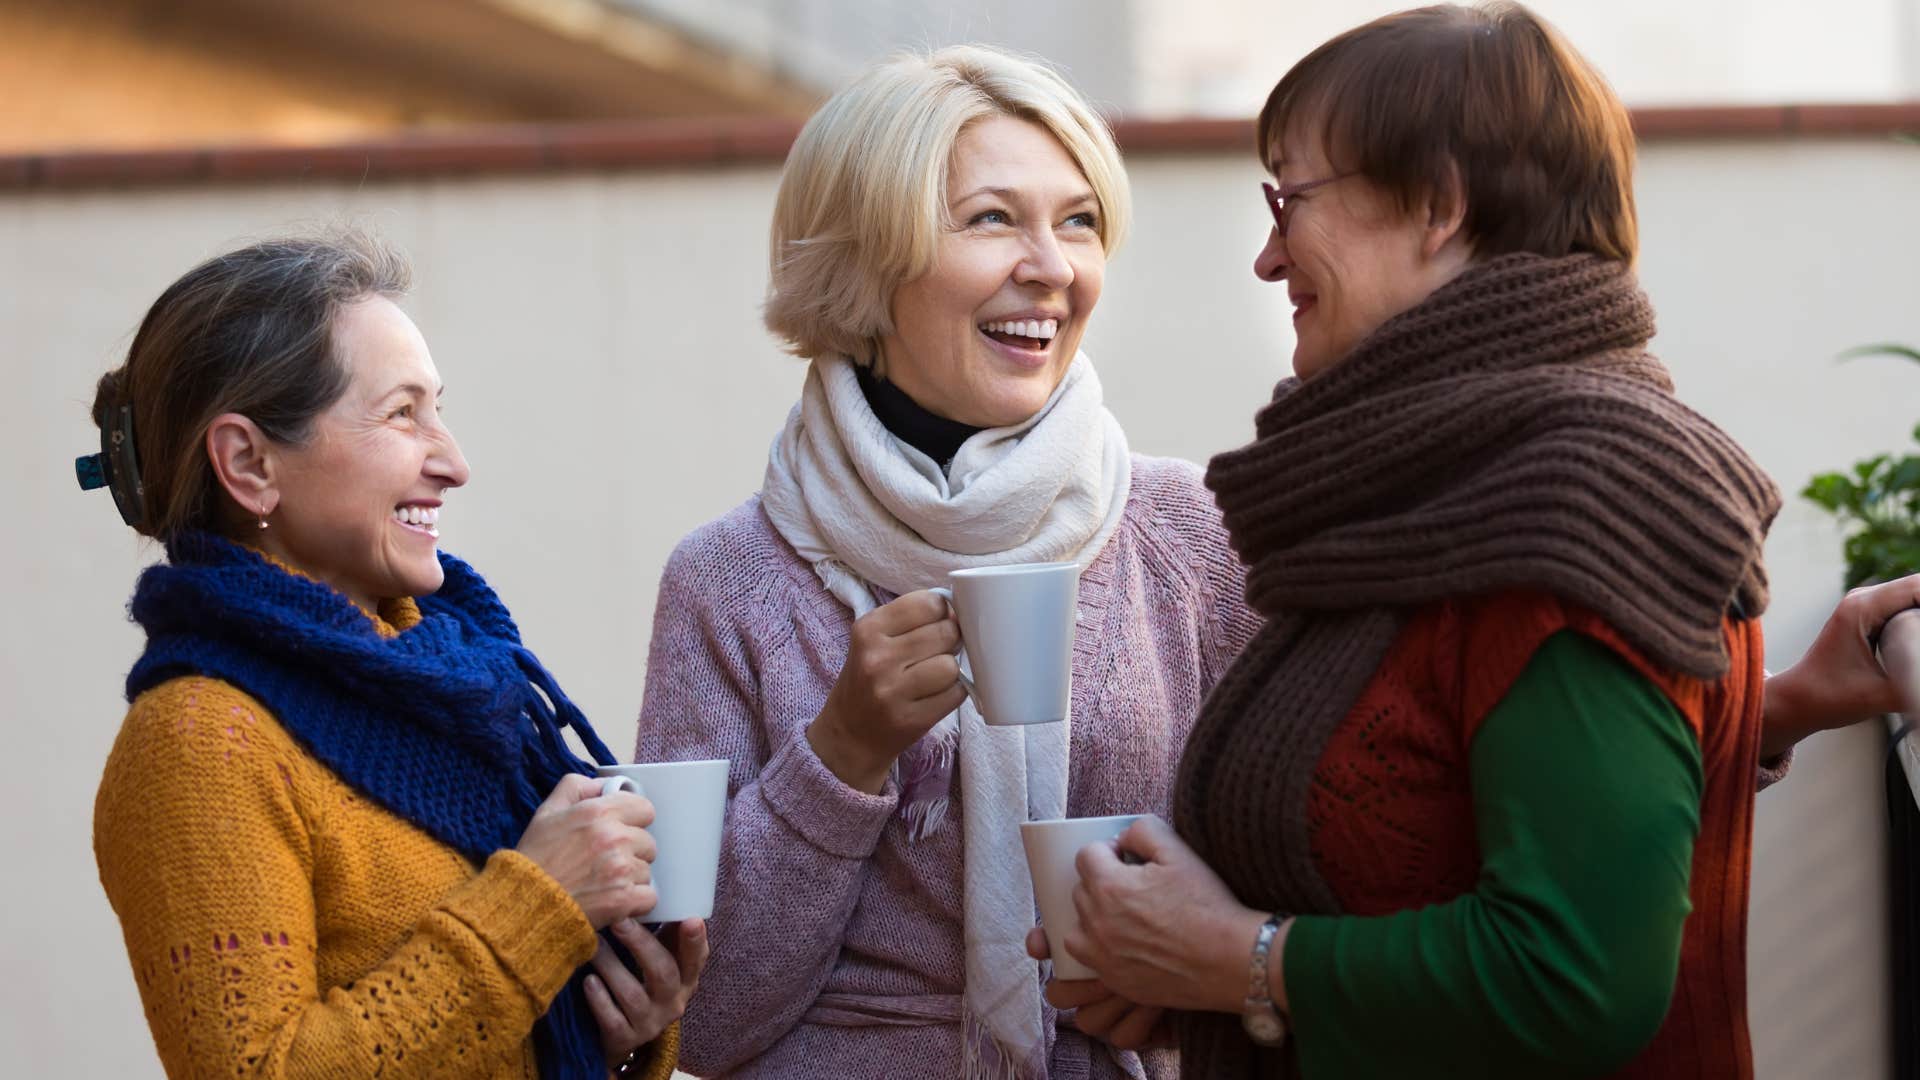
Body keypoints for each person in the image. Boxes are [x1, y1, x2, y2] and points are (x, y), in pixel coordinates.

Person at [1024, 4, 1915, 1077]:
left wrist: (1239, 961)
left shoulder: (1576, 496)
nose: (1268, 257)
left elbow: (1577, 978)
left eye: (1289, 198)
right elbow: (1460, 787)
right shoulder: (1444, 483)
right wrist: (1189, 982)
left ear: (1439, 205)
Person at [632, 45, 1262, 1079]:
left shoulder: (1188, 534)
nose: (1053, 267)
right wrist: (841, 751)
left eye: (1079, 221)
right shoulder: (726, 580)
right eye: (991, 219)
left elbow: (1309, 877)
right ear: (867, 265)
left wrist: (1187, 955)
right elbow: (694, 1019)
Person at [86, 232, 702, 1079]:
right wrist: (537, 903)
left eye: (437, 409)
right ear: (249, 464)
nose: (454, 462)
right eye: (403, 413)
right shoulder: (199, 745)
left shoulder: (458, 685)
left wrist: (614, 1029)